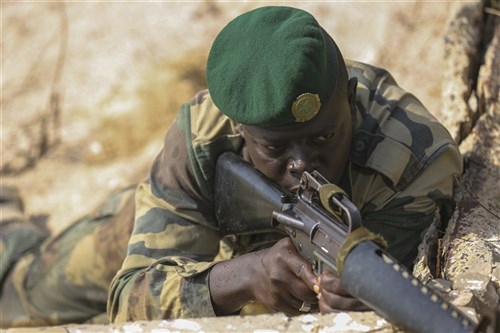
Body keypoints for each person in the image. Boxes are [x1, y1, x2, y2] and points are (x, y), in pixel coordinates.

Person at [0, 6, 462, 328]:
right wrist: (244, 276)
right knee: (23, 294)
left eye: (323, 137)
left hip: (240, 278)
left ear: (350, 98)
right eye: (276, 148)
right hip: (169, 229)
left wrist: (345, 303)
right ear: (238, 127)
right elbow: (130, 298)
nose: (302, 163)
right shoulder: (201, 137)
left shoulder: (414, 161)